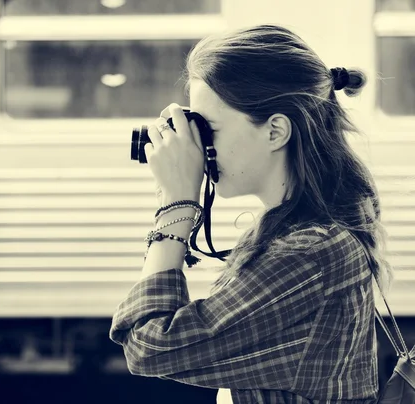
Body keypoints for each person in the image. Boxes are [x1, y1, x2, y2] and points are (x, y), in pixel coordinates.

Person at [109, 24, 393, 403]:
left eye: (208, 129)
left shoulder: (307, 254)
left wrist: (176, 202)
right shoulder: (300, 234)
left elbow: (149, 345)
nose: (197, 145)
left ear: (276, 131)